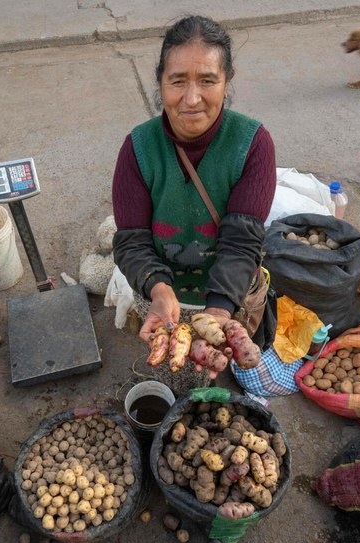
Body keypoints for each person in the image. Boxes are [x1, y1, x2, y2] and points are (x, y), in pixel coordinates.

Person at [111, 15, 276, 383]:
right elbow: (131, 241)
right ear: (160, 82)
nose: (191, 98)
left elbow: (241, 242)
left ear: (226, 81)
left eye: (207, 80)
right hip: (161, 297)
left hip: (227, 295)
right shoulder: (138, 147)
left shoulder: (253, 145)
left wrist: (218, 314)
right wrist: (158, 288)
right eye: (178, 81)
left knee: (213, 370)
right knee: (172, 371)